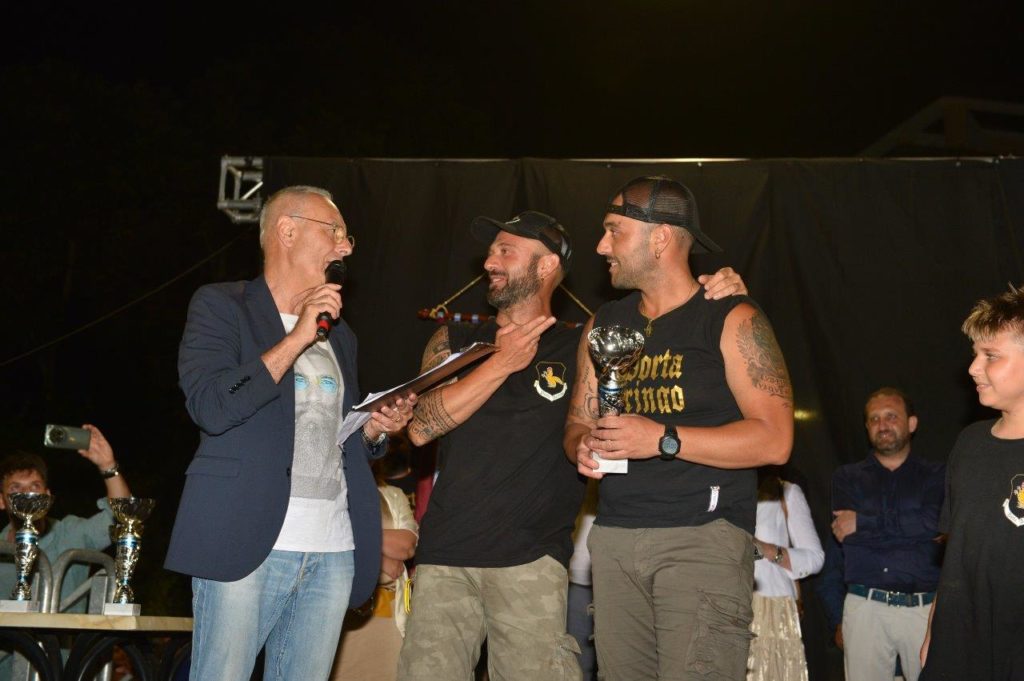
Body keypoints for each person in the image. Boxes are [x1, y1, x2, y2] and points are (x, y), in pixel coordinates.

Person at [397, 209, 747, 681]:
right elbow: (420, 427)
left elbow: (673, 337)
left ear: (546, 265)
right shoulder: (455, 339)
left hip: (532, 559)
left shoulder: (586, 343)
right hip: (444, 555)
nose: (489, 262)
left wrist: (720, 292)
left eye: (505, 251)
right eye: (490, 251)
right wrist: (501, 362)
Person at [164, 185, 415, 681]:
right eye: (335, 232)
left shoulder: (341, 335)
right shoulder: (223, 305)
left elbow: (333, 440)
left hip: (332, 548)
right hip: (245, 539)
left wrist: (374, 430)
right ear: (287, 231)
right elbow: (211, 407)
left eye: (347, 238)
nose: (345, 248)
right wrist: (298, 336)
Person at [564, 175, 794, 681]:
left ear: (661, 237)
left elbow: (776, 441)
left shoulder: (731, 317)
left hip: (701, 538)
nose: (601, 246)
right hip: (615, 538)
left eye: (614, 230)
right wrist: (582, 445)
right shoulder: (603, 323)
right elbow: (578, 420)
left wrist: (662, 439)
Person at [920, 286, 1024, 680]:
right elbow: (955, 551)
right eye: (975, 354)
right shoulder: (969, 443)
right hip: (959, 645)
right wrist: (934, 626)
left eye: (991, 356)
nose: (973, 368)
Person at [830, 387, 944, 681]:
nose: (882, 425)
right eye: (874, 418)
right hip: (866, 607)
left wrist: (864, 522)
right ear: (867, 427)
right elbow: (846, 535)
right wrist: (914, 529)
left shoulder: (937, 475)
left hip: (923, 609)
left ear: (912, 423)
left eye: (891, 416)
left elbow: (934, 524)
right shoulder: (847, 477)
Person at [0, 424, 131, 678]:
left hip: (60, 669)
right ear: (2, 501)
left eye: (34, 486)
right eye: (16, 489)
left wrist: (108, 466)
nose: (26, 495)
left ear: (48, 496)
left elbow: (124, 518)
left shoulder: (71, 533)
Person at [331, 449, 418, 681]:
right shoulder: (331, 497)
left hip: (389, 612)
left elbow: (406, 546)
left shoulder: (392, 495)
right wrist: (378, 559)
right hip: (343, 616)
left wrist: (356, 537)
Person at [747, 466, 824, 681]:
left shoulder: (785, 491)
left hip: (769, 610)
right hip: (722, 605)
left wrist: (766, 550)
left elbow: (815, 558)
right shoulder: (719, 487)